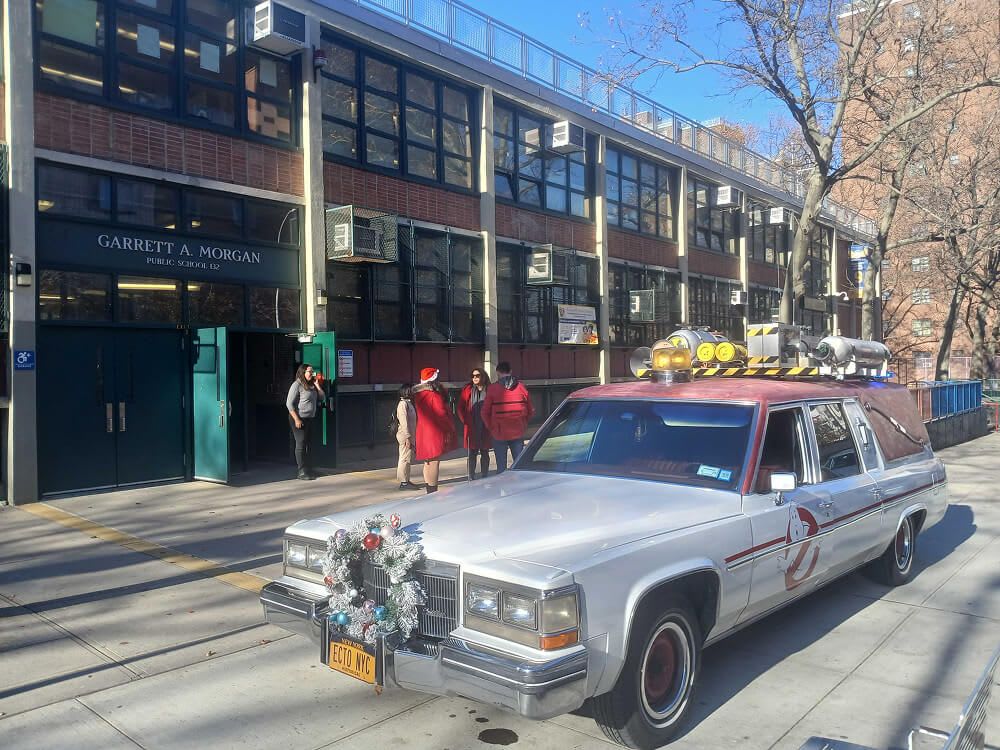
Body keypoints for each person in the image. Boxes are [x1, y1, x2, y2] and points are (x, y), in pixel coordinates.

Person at [482, 361, 534, 473]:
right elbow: (530, 410)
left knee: (501, 468)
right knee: (519, 466)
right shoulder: (521, 387)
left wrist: (491, 427)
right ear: (510, 371)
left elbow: (485, 412)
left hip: (499, 432)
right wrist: (523, 424)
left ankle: (503, 488)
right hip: (517, 431)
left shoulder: (492, 389)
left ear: (497, 373)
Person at [412, 367, 457, 494]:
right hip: (434, 432)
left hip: (423, 431)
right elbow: (441, 414)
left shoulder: (419, 394)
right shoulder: (433, 395)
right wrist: (450, 427)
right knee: (434, 462)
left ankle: (429, 489)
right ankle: (432, 491)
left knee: (428, 462)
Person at [286, 363, 326, 480]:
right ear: (303, 373)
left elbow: (322, 397)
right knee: (301, 443)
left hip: (310, 418)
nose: (312, 374)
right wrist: (297, 419)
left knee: (310, 443)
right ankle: (301, 471)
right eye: (309, 372)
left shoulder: (311, 385)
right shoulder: (296, 385)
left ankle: (310, 468)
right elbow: (289, 404)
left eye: (312, 372)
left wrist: (317, 386)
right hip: (299, 418)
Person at [457, 368, 493, 480]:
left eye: (477, 375)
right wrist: (465, 421)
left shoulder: (490, 389)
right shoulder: (467, 389)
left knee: (485, 451)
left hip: (485, 426)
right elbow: (460, 407)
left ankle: (484, 475)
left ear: (483, 376)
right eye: (473, 376)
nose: (475, 378)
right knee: (472, 452)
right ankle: (471, 475)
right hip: (472, 425)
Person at [394, 384, 419, 491]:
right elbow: (404, 422)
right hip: (405, 435)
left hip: (410, 435)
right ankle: (403, 482)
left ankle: (406, 479)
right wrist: (408, 437)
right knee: (404, 458)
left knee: (407, 458)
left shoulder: (408, 403)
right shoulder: (403, 404)